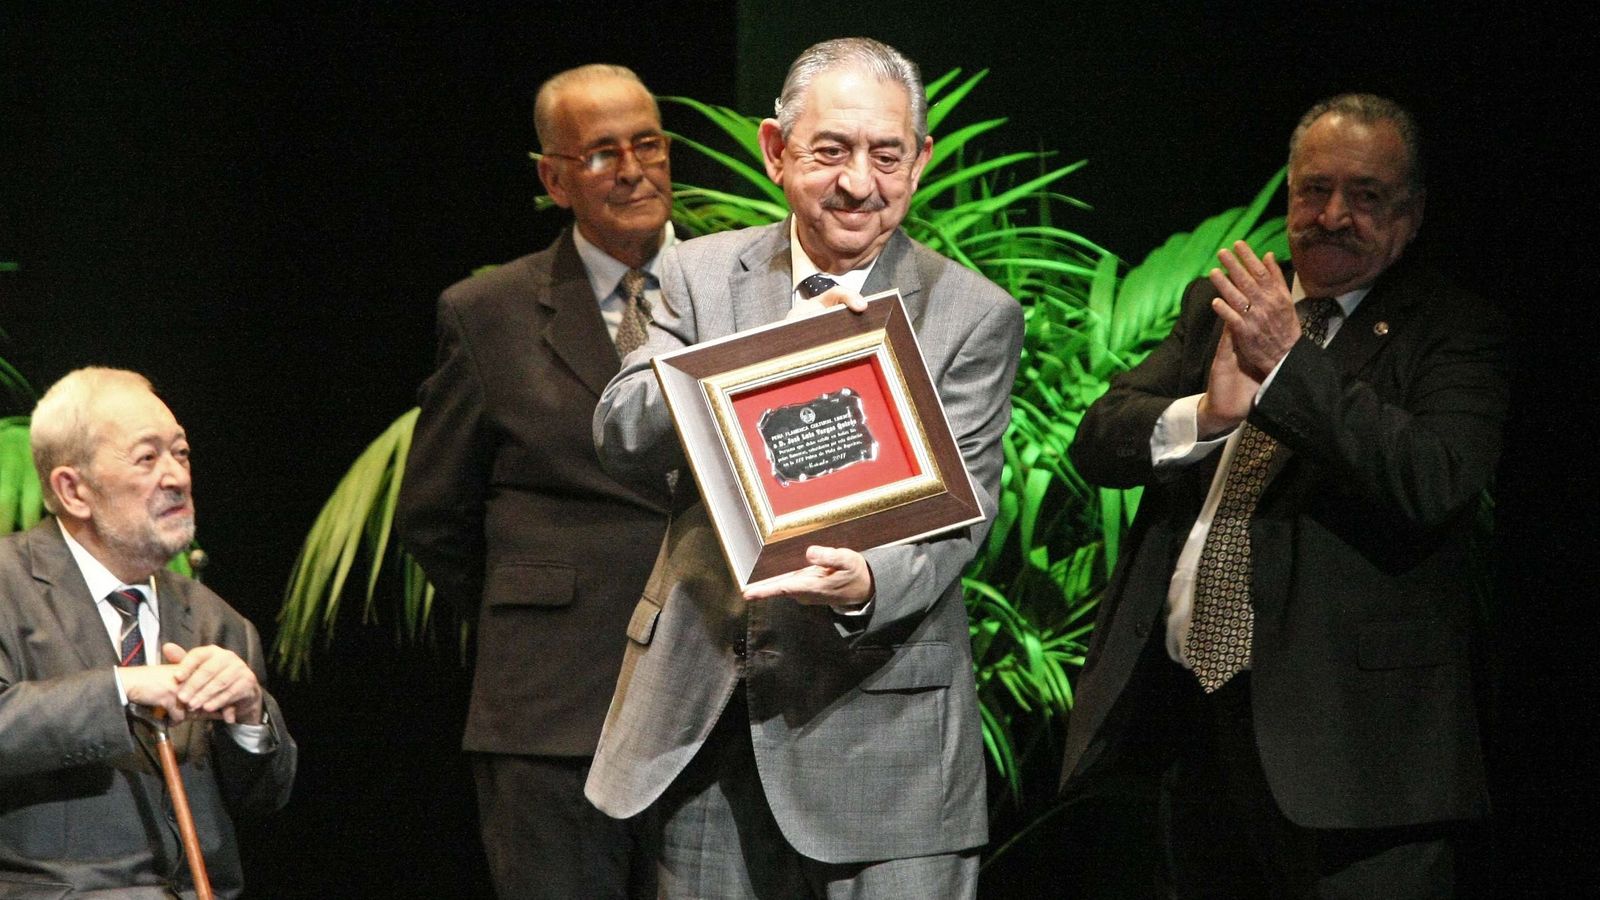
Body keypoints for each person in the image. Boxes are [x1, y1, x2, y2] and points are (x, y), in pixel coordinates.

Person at [584, 37, 1024, 899]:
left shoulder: (973, 315)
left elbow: (962, 514)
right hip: (702, 729)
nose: (859, 182)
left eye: (887, 155)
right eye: (831, 151)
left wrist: (868, 582)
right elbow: (623, 432)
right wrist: (765, 361)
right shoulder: (699, 274)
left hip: (882, 743)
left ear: (920, 161)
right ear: (775, 151)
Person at [1058, 94, 1508, 897]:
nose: (1333, 216)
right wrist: (1207, 412)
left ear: (1411, 214)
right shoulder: (1218, 309)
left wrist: (1290, 365)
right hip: (1193, 728)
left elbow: (1434, 480)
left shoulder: (1453, 329)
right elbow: (1098, 440)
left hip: (1354, 762)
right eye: (1314, 190)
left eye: (1365, 196)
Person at [394, 63, 673, 900]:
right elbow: (435, 513)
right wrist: (541, 600)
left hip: (712, 696)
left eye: (649, 144)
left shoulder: (740, 292)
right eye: (603, 153)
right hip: (553, 704)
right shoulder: (489, 312)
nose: (634, 170)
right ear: (554, 179)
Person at [0, 367, 296, 899]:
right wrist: (121, 687)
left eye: (181, 453)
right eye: (147, 458)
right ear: (73, 490)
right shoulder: (7, 584)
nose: (177, 476)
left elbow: (262, 799)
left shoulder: (218, 621)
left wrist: (251, 717)